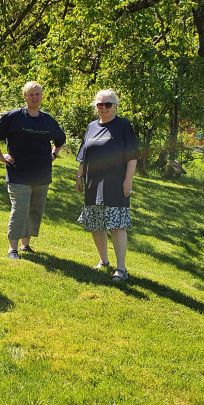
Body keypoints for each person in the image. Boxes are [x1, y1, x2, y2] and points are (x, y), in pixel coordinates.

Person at [0, 81, 66, 259]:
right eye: (31, 94)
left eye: (38, 94)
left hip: (41, 174)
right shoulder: (14, 117)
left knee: (35, 210)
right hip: (18, 173)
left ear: (42, 97)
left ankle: (25, 245)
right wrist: (0, 156)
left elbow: (60, 138)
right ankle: (12, 249)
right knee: (20, 209)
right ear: (25, 97)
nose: (35, 97)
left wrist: (54, 154)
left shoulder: (47, 119)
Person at [75, 89, 139, 282]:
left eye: (108, 104)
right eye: (100, 105)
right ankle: (103, 261)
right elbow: (83, 156)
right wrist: (79, 176)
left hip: (115, 183)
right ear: (96, 107)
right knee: (96, 223)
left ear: (115, 106)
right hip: (92, 183)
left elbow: (132, 156)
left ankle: (121, 269)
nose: (104, 108)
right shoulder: (91, 127)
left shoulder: (123, 126)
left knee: (116, 224)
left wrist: (128, 180)